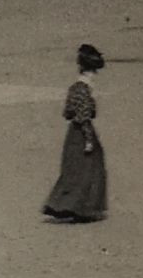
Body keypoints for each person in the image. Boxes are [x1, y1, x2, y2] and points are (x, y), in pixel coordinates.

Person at [42, 43, 107, 223]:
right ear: (90, 72)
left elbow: (67, 113)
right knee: (88, 169)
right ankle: (81, 208)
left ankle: (62, 204)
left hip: (72, 133)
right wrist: (88, 139)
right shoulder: (84, 90)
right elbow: (84, 116)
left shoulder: (73, 88)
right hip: (83, 132)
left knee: (72, 170)